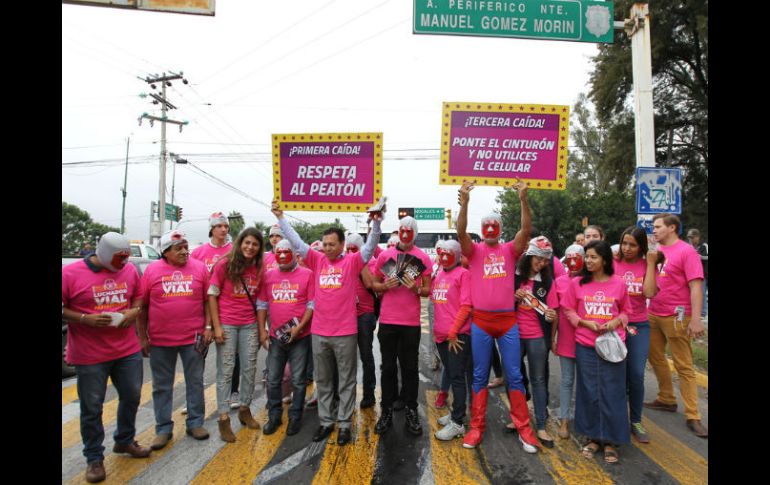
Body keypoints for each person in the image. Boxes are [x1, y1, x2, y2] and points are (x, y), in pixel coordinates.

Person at [272, 199, 383, 446]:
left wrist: (376, 224)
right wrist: (281, 218)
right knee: (323, 380)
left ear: (343, 245)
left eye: (333, 245)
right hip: (320, 332)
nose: (328, 248)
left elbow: (370, 246)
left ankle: (344, 424)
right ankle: (325, 422)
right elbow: (296, 240)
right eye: (325, 245)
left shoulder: (353, 261)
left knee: (346, 380)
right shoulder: (317, 260)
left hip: (345, 332)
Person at [455, 180, 540, 453]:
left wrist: (523, 200)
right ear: (482, 230)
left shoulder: (509, 250)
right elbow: (460, 232)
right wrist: (465, 203)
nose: (490, 229)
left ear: (501, 229)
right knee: (479, 375)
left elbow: (526, 230)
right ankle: (476, 427)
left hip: (507, 322)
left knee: (514, 375)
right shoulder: (475, 251)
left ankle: (524, 428)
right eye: (486, 225)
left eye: (495, 225)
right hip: (481, 321)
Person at [62, 232, 151, 483]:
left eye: (126, 258)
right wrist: (83, 318)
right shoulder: (70, 274)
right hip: (90, 355)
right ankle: (94, 458)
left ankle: (124, 441)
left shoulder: (130, 271)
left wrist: (132, 313)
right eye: (119, 258)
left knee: (132, 396)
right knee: (92, 407)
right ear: (102, 253)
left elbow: (139, 296)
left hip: (126, 349)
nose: (122, 264)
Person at [137, 230, 211, 450]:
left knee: (195, 381)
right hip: (160, 340)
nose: (184, 251)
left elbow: (208, 301)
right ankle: (163, 429)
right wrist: (142, 337)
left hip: (193, 338)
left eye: (185, 246)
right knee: (161, 386)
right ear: (165, 251)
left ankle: (195, 423)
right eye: (178, 247)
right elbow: (142, 307)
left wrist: (208, 327)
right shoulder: (152, 271)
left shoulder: (199, 268)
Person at [563, 240, 632, 464]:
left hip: (612, 348)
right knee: (589, 392)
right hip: (586, 346)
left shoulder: (619, 284)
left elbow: (626, 312)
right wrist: (582, 322)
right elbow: (568, 309)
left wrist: (614, 322)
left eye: (593, 257)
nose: (588, 261)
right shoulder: (577, 283)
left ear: (604, 259)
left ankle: (611, 441)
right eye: (587, 257)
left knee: (613, 392)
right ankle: (592, 437)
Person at [644, 214, 707, 438]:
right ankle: (666, 398)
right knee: (656, 357)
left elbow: (696, 287)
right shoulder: (654, 250)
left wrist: (697, 318)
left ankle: (693, 415)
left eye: (658, 227)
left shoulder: (686, 251)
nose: (654, 230)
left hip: (678, 316)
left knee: (684, 365)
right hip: (653, 313)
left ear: (672, 228)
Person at [372, 216, 433, 437]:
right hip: (387, 321)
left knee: (409, 369)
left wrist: (416, 289)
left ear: (414, 234)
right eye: (403, 230)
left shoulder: (422, 258)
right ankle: (386, 410)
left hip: (410, 323)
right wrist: (384, 286)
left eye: (410, 231)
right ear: (399, 231)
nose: (406, 234)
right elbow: (374, 284)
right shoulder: (386, 255)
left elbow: (428, 290)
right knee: (387, 368)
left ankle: (411, 410)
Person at [208, 227, 265, 442]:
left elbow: (261, 302)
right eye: (247, 243)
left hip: (249, 324)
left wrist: (261, 330)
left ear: (259, 248)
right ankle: (223, 419)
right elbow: (212, 295)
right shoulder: (224, 264)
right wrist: (216, 327)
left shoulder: (259, 268)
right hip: (227, 324)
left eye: (255, 244)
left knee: (250, 369)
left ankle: (245, 409)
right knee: (226, 371)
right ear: (240, 243)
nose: (250, 247)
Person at [257, 240, 314, 436]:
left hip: (300, 337)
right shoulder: (268, 276)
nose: (281, 256)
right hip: (276, 338)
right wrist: (262, 331)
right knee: (273, 380)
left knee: (298, 380)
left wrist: (299, 328)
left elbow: (311, 305)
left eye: (286, 252)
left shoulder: (307, 275)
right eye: (278, 252)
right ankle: (274, 417)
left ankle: (295, 418)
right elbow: (262, 304)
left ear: (294, 254)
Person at [190, 212, 241, 410]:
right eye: (219, 226)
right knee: (197, 353)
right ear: (212, 228)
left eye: (226, 226)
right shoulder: (199, 253)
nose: (223, 229)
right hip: (203, 309)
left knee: (231, 354)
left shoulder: (234, 250)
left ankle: (233, 391)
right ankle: (194, 395)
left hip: (229, 309)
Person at [613, 226, 658, 444]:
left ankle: (636, 420)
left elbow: (649, 293)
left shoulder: (647, 265)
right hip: (615, 326)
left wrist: (650, 263)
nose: (627, 248)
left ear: (641, 247)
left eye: (632, 244)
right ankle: (619, 417)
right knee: (618, 374)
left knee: (637, 374)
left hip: (639, 325)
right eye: (624, 243)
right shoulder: (613, 262)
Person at [513, 236, 560, 448]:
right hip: (513, 335)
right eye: (538, 259)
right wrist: (514, 297)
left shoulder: (548, 281)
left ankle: (541, 424)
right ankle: (518, 418)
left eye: (545, 260)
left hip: (537, 337)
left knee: (538, 379)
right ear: (530, 255)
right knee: (515, 377)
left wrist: (551, 319)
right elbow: (501, 301)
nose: (542, 263)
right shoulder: (514, 276)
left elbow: (554, 312)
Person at [432, 239, 473, 441]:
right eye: (443, 254)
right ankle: (457, 413)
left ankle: (458, 422)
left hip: (456, 338)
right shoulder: (440, 274)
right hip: (442, 337)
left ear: (457, 255)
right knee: (453, 373)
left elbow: (466, 306)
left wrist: (453, 331)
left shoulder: (463, 274)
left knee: (457, 378)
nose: (445, 257)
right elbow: (437, 305)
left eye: (450, 254)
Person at [552, 244, 585, 439]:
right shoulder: (560, 281)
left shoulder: (590, 281)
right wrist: (553, 338)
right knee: (566, 380)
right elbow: (555, 312)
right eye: (569, 258)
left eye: (577, 258)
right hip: (565, 337)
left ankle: (583, 418)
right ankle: (564, 419)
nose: (573, 262)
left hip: (586, 338)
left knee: (585, 382)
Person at [345, 231, 381, 409]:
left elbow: (371, 284)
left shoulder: (372, 261)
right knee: (346, 358)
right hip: (345, 315)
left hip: (365, 315)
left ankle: (369, 394)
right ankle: (345, 396)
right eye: (348, 249)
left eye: (355, 249)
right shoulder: (343, 262)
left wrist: (361, 262)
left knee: (366, 355)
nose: (351, 252)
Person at [686, 228, 708, 318]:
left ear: (697, 237)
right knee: (691, 293)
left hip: (703, 273)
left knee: (702, 293)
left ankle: (703, 313)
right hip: (691, 273)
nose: (690, 239)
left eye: (692, 237)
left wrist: (700, 257)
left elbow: (707, 257)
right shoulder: (688, 246)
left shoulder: (704, 246)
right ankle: (693, 311)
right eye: (689, 237)